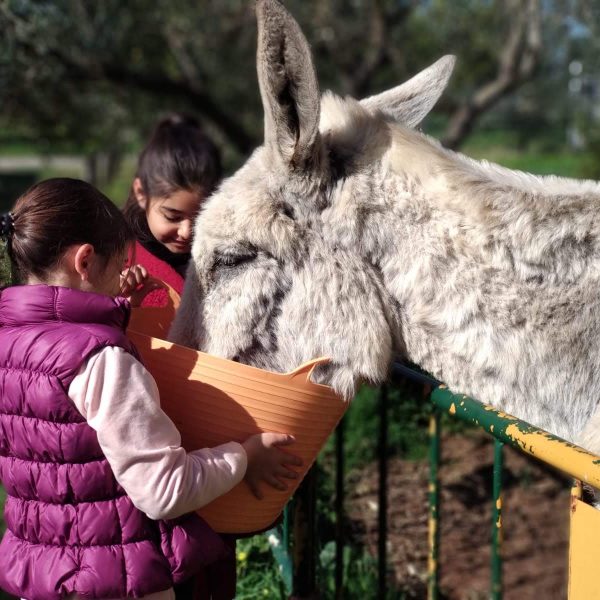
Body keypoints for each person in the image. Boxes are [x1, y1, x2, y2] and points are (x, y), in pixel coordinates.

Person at [0, 178, 301, 600]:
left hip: (45, 577)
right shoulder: (99, 360)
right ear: (85, 261)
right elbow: (164, 490)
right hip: (115, 581)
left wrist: (126, 312)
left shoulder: (9, 344)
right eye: (119, 264)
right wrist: (244, 457)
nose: (123, 276)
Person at [123, 114, 221, 307]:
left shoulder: (226, 256)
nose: (186, 232)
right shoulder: (112, 257)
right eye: (172, 217)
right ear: (141, 193)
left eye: (200, 217)